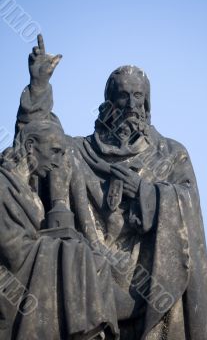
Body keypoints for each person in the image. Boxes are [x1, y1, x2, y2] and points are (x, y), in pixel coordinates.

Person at [16, 34, 207, 340]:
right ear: (108, 102)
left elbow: (189, 215)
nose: (131, 105)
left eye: (139, 97)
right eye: (123, 96)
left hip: (151, 284)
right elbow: (36, 143)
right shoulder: (76, 153)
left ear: (147, 104)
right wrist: (39, 88)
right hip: (89, 283)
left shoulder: (171, 155)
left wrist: (148, 194)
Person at [0, 120, 119, 340]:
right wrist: (70, 250)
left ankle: (92, 331)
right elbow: (12, 249)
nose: (57, 162)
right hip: (10, 283)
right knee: (78, 254)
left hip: (30, 269)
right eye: (54, 151)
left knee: (96, 261)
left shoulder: (31, 191)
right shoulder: (3, 185)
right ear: (29, 146)